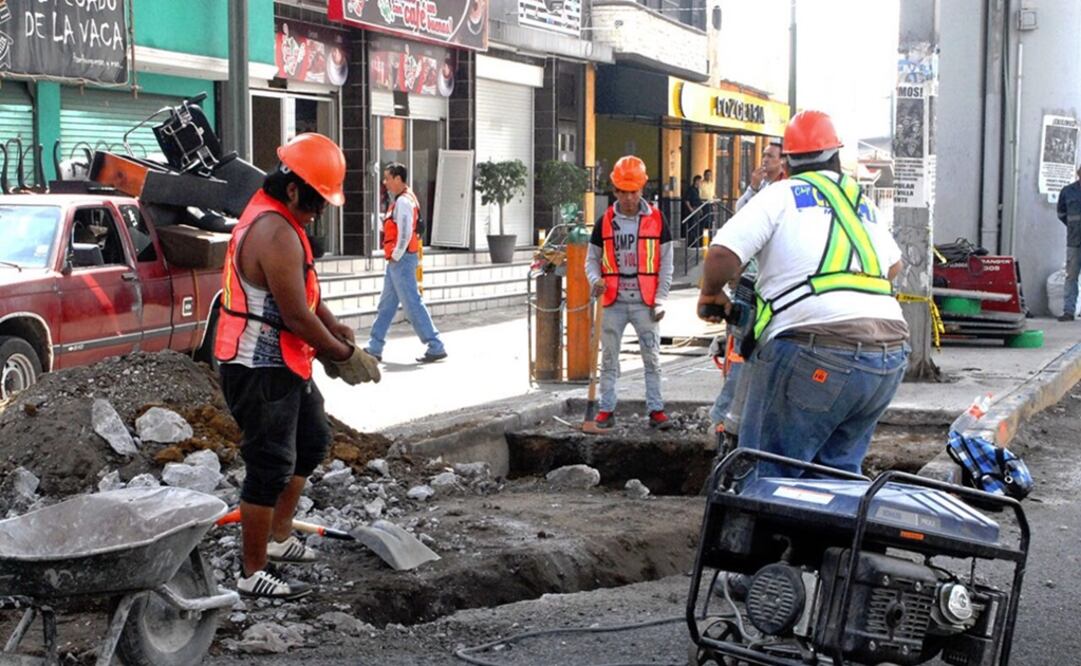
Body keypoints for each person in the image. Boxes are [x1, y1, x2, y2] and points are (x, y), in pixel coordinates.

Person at [698, 110, 910, 478]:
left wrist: (710, 295)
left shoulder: (780, 195)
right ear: (836, 156)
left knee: (768, 473)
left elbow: (721, 254)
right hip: (888, 356)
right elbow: (894, 267)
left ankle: (753, 536)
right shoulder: (860, 202)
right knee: (836, 476)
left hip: (816, 351)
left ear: (789, 161)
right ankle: (827, 536)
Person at [215, 133, 380, 599]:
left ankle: (279, 535)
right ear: (292, 189)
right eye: (315, 202)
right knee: (269, 465)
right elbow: (294, 315)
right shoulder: (274, 232)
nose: (318, 212)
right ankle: (251, 572)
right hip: (256, 366)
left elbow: (308, 297)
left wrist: (335, 330)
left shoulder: (286, 222)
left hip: (284, 361)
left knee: (312, 442)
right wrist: (341, 355)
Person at [585, 155, 675, 430]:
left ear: (642, 189)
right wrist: (595, 279)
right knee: (609, 359)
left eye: (633, 191)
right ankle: (606, 409)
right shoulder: (604, 222)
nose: (628, 198)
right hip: (612, 301)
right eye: (623, 192)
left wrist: (660, 299)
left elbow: (666, 263)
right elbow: (591, 259)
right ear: (615, 191)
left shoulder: (658, 220)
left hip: (645, 303)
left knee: (652, 358)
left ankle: (656, 410)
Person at [365, 162, 448, 363]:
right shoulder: (405, 199)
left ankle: (435, 345)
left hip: (400, 259)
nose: (385, 183)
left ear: (398, 178)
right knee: (387, 305)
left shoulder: (403, 202)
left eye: (387, 178)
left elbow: (405, 232)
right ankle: (374, 346)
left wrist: (396, 254)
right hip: (399, 260)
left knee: (411, 303)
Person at [1056, 166, 1081, 321]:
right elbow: (1061, 214)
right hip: (1074, 241)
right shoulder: (1067, 191)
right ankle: (1068, 311)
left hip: (1074, 238)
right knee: (1071, 276)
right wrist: (1073, 227)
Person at [735, 141, 785, 212]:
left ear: (782, 160)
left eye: (770, 156)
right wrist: (753, 187)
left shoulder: (786, 183)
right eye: (764, 156)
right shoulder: (761, 183)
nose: (765, 160)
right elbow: (739, 210)